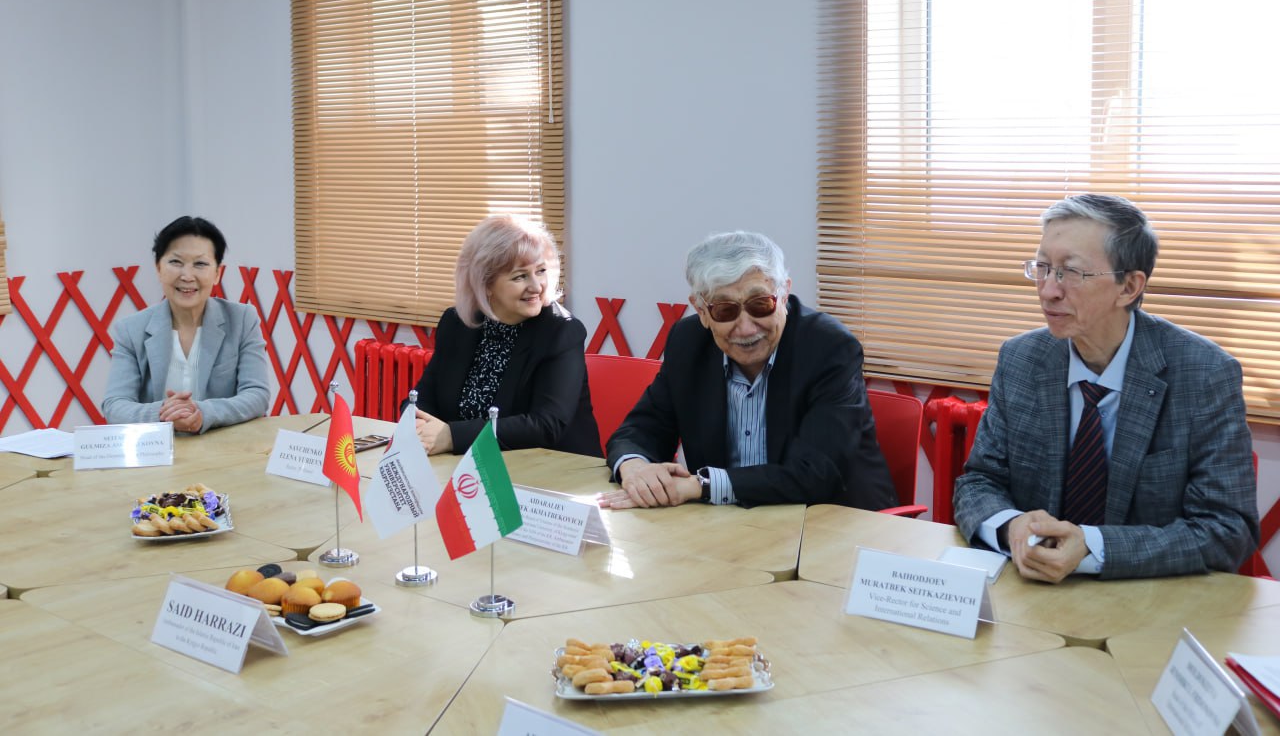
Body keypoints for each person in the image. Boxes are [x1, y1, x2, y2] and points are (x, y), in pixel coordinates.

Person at [953, 194, 1259, 582]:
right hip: (1033, 590)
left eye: (1071, 272)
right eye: (1042, 268)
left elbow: (1227, 530)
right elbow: (978, 482)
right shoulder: (1021, 359)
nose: (1048, 291)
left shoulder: (1203, 375)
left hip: (1147, 598)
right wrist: (1011, 526)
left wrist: (1094, 547)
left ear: (1128, 287)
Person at [600, 231, 897, 509]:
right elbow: (641, 430)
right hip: (732, 523)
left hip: (832, 522)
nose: (745, 328)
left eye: (760, 304)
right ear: (702, 311)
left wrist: (701, 485)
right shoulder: (687, 342)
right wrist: (634, 467)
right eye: (725, 310)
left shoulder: (830, 348)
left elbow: (816, 473)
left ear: (784, 294)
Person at [405, 214, 600, 457]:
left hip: (553, 468)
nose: (536, 286)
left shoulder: (562, 332)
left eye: (540, 271)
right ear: (486, 283)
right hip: (470, 465)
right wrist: (418, 423)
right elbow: (422, 397)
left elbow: (546, 425)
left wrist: (452, 437)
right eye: (520, 276)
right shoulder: (457, 323)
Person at [103, 216, 270, 433]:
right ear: (158, 268)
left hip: (222, 447)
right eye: (176, 262)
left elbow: (257, 394)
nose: (187, 276)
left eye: (200, 264)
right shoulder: (130, 329)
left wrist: (202, 413)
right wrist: (164, 413)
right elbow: (115, 405)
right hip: (155, 447)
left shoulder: (242, 319)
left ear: (217, 273)